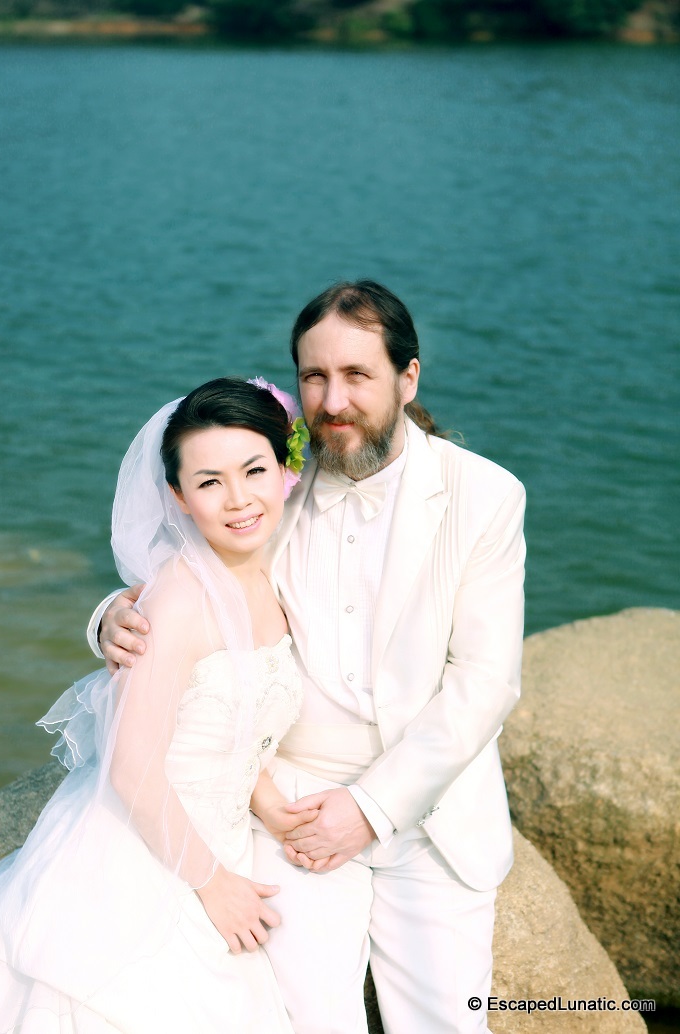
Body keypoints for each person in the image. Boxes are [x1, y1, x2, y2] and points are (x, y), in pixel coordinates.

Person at [94, 281, 527, 1034]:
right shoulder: (273, 475)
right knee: (309, 1017)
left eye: (358, 375)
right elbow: (181, 569)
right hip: (286, 805)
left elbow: (486, 683)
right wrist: (107, 618)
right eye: (314, 377)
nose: (333, 401)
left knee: (446, 1022)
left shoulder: (486, 496)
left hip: (431, 810)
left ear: (408, 377)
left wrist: (370, 808)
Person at [0, 377, 316, 1033]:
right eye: (209, 482)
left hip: (220, 834)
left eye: (253, 470)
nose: (238, 499)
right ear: (178, 497)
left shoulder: (271, 580)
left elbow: (227, 722)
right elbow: (132, 768)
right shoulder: (177, 600)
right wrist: (213, 884)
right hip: (142, 848)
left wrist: (272, 805)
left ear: (284, 469)